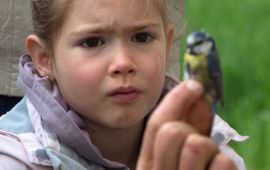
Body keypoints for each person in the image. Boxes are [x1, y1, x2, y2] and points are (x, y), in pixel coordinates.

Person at [0, 0, 247, 169]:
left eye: (142, 37)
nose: (123, 63)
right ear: (45, 59)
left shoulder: (207, 156)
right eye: (92, 42)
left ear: (167, 45)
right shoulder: (14, 160)